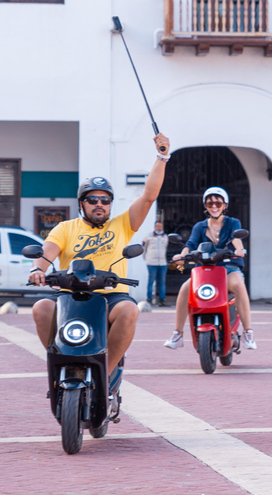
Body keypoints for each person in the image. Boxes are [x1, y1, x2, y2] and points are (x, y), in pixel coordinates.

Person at [29, 133, 171, 374]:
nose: (99, 204)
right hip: (70, 295)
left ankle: (105, 372)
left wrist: (162, 157)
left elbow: (149, 196)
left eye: (105, 200)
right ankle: (59, 364)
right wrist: (38, 270)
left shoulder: (122, 225)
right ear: (81, 203)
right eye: (92, 199)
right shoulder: (66, 228)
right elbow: (46, 254)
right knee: (41, 308)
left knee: (130, 310)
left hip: (111, 295)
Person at [163, 186, 256, 350]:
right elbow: (191, 243)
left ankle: (248, 333)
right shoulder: (200, 226)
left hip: (228, 268)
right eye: (209, 203)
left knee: (239, 285)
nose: (214, 206)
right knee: (185, 288)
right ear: (205, 206)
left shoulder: (233, 222)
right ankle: (177, 334)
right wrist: (181, 255)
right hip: (205, 269)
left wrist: (239, 250)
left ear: (224, 205)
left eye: (218, 203)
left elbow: (236, 238)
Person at [143, 221, 169, 306]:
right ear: (154, 227)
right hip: (151, 263)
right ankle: (149, 299)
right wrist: (146, 258)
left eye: (160, 226)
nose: (159, 228)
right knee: (151, 281)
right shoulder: (148, 236)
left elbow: (166, 247)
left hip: (162, 263)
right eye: (157, 226)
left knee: (162, 282)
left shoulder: (165, 237)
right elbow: (143, 248)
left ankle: (162, 300)